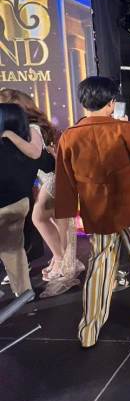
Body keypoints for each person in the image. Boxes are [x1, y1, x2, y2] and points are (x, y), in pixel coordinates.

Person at [54, 76, 130, 347]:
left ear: (83, 103)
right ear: (112, 103)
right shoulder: (127, 131)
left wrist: (67, 213)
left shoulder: (69, 137)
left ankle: (89, 329)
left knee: (99, 267)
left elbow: (65, 182)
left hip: (98, 212)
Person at [0, 88, 83, 295]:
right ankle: (62, 259)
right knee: (48, 219)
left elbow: (35, 152)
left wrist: (9, 135)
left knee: (42, 218)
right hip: (49, 178)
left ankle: (63, 260)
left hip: (55, 178)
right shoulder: (27, 128)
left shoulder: (32, 127)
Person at [0, 103, 53, 297]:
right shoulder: (29, 147)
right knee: (14, 251)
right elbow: (49, 164)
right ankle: (24, 293)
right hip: (20, 204)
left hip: (3, 204)